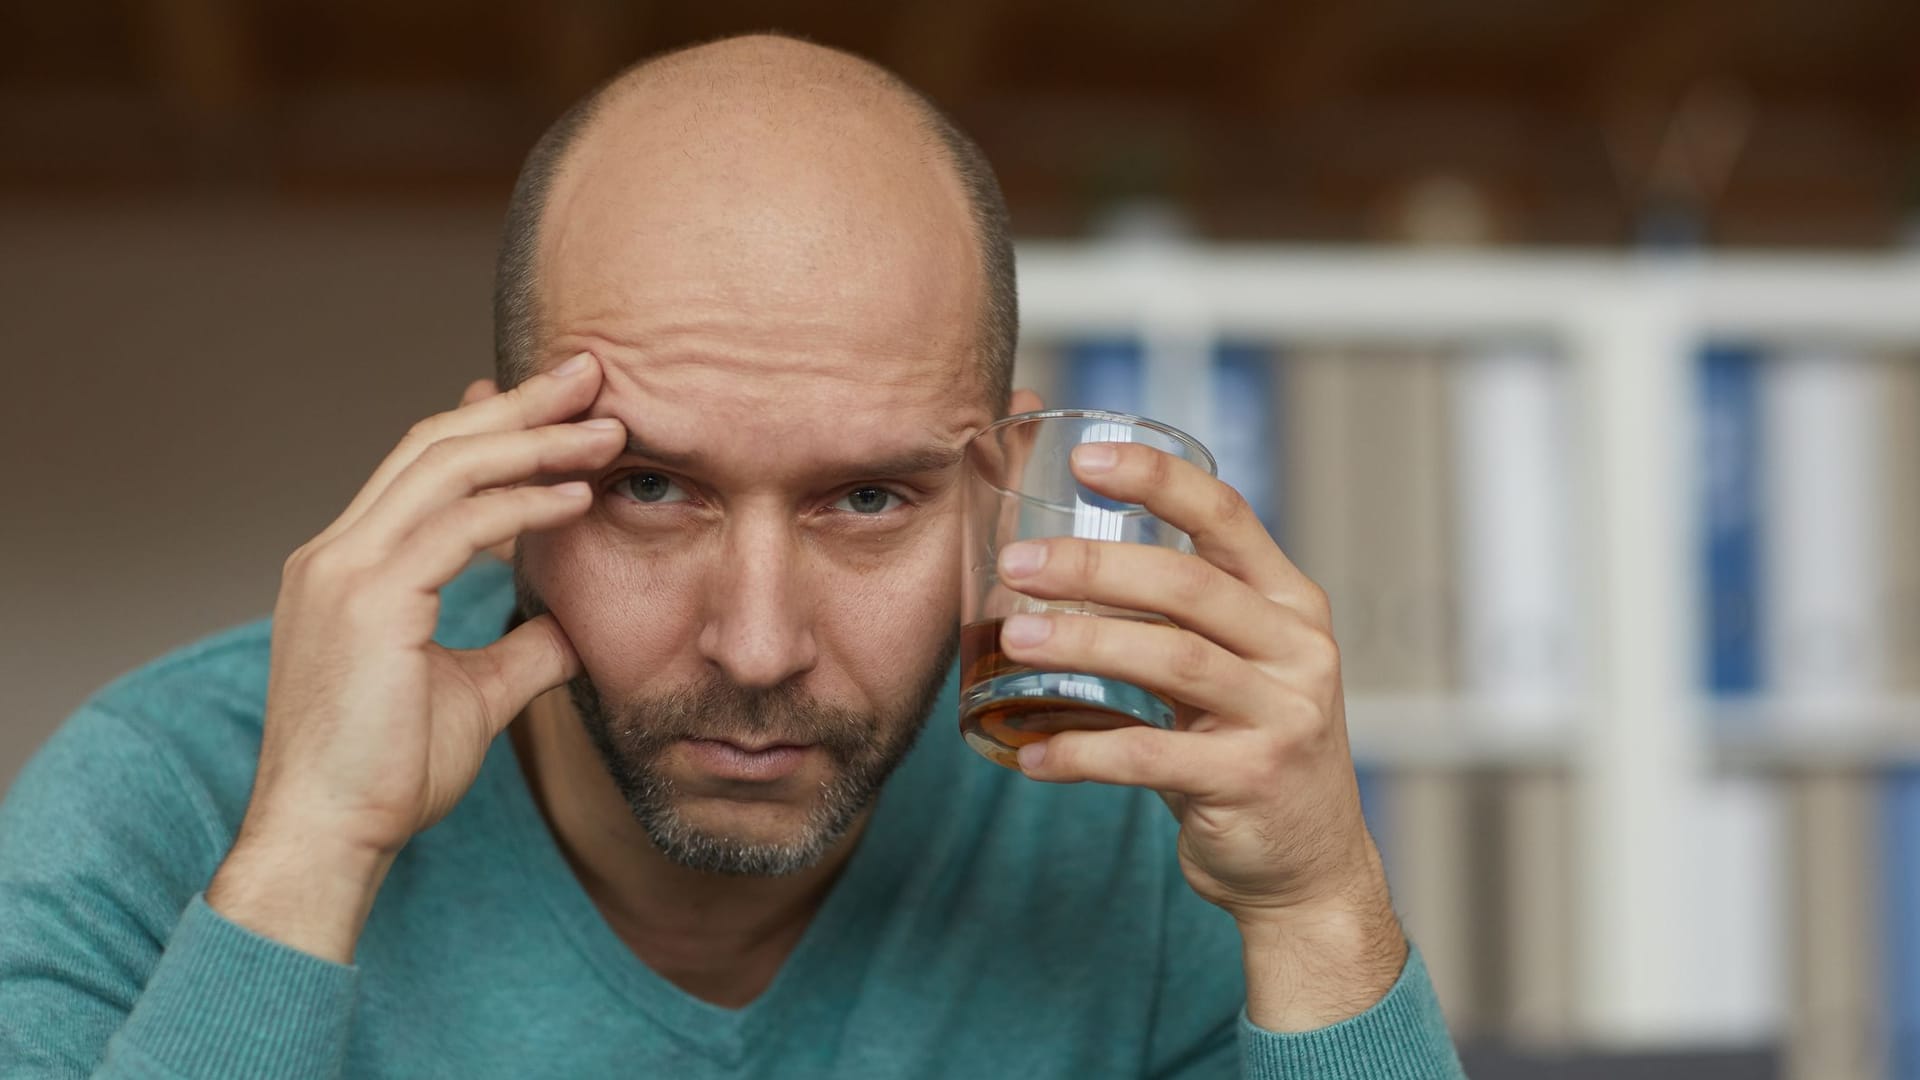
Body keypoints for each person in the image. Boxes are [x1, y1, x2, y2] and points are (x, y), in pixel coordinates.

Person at [0, 32, 1466, 1079]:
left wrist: (1325, 918)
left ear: (996, 491)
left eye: (868, 502)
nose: (757, 647)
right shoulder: (166, 803)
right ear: (499, 476)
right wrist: (307, 858)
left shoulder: (1133, 836)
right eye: (649, 487)